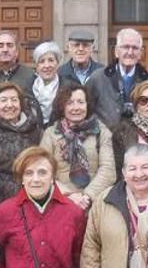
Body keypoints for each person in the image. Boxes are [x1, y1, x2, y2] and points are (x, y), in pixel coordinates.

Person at [39, 84, 116, 212]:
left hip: (95, 203)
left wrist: (87, 196)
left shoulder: (102, 131)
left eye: (80, 102)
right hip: (60, 203)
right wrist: (70, 195)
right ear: (62, 106)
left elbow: (108, 170)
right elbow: (43, 170)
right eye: (69, 103)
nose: (75, 108)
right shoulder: (51, 133)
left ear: (88, 105)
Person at [0, 83, 43, 208]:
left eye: (14, 100)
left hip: (32, 193)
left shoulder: (35, 130)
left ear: (21, 104)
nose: (9, 105)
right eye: (4, 100)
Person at [88, 28, 148, 128]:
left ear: (141, 53)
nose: (130, 52)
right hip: (105, 140)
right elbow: (86, 111)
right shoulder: (97, 78)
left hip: (140, 140)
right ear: (116, 51)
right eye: (126, 47)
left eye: (135, 48)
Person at [31, 41, 62, 127]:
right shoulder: (28, 87)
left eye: (51, 60)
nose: (47, 65)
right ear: (36, 66)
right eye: (42, 61)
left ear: (58, 63)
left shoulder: (68, 87)